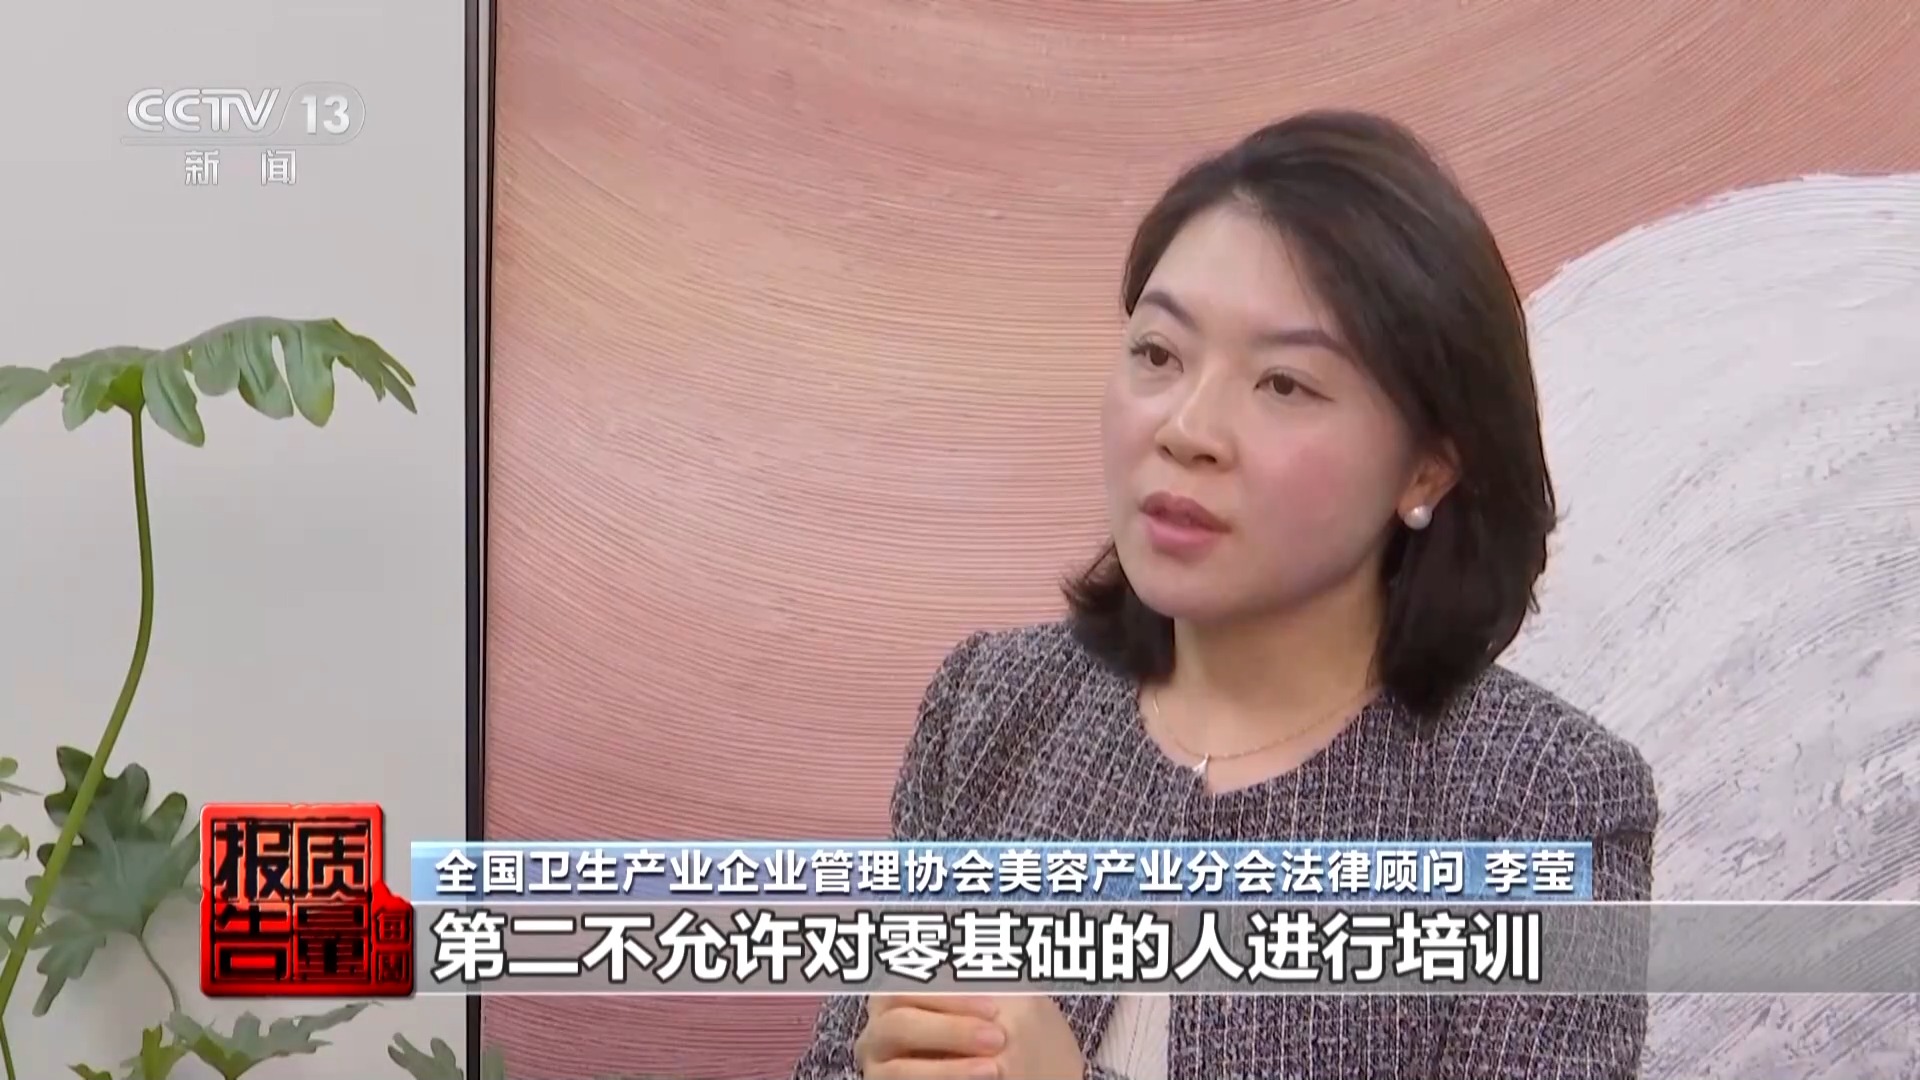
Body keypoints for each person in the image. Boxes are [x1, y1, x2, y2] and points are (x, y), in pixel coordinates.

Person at [791, 109, 1659, 1080]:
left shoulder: (1548, 804)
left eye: (1284, 384)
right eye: (1159, 355)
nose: (1188, 430)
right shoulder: (993, 706)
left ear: (1427, 468)